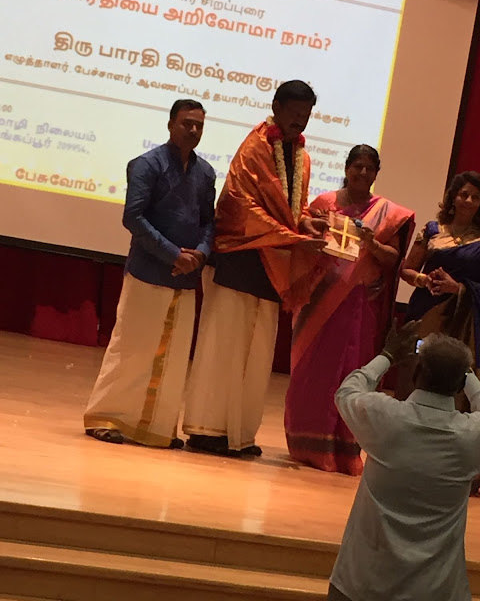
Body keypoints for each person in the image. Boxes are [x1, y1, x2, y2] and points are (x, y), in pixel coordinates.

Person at [183, 80, 327, 457]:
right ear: (276, 107)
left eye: (306, 116)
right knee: (224, 346)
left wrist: (306, 223)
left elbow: (294, 208)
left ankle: (240, 434)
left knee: (257, 352)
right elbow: (239, 206)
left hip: (273, 263)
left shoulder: (301, 155)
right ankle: (206, 430)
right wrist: (291, 236)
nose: (300, 122)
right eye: (294, 113)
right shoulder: (255, 148)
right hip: (240, 259)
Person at [84, 99, 216, 448]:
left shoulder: (205, 173)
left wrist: (201, 253)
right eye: (187, 123)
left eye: (199, 125)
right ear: (170, 124)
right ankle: (104, 416)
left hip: (186, 277)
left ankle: (156, 428)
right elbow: (133, 217)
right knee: (131, 347)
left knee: (174, 355)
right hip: (148, 271)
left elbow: (209, 222)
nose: (193, 130)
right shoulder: (147, 164)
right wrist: (173, 254)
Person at [285, 145, 415, 475]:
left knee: (351, 373)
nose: (362, 173)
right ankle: (307, 444)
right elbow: (302, 247)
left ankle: (344, 451)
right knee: (314, 373)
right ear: (346, 169)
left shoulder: (386, 213)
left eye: (369, 168)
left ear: (376, 174)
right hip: (321, 303)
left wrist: (372, 243)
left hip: (359, 307)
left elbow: (392, 259)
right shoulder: (323, 204)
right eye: (357, 166)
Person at [328, 324, 480, 601]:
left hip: (362, 586)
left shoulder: (384, 417)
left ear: (416, 372)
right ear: (460, 386)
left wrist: (387, 355)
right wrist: (464, 372)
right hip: (437, 591)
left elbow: (347, 391)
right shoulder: (471, 436)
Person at [400, 171, 480, 394]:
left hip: (461, 319)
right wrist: (423, 280)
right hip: (425, 311)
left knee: (451, 377)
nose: (469, 201)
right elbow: (406, 270)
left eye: (476, 197)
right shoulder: (432, 230)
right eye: (464, 194)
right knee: (417, 370)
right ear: (453, 196)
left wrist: (458, 288)